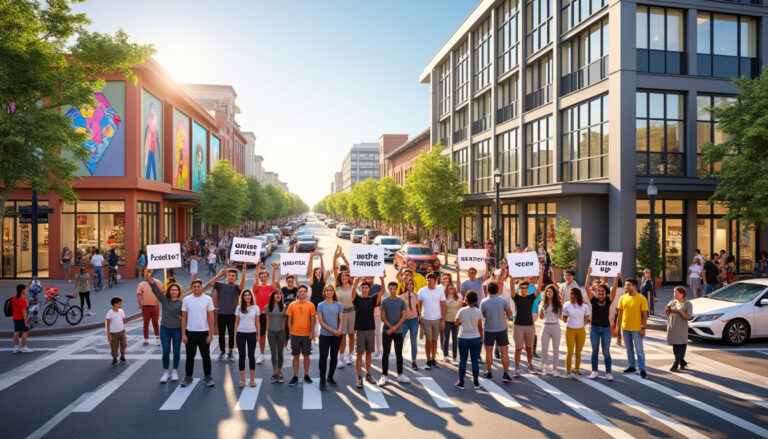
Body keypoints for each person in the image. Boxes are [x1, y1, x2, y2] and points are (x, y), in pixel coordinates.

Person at [145, 270, 183, 383]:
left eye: (176, 290)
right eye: (172, 290)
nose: (174, 291)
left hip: (177, 330)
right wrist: (148, 276)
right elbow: (155, 288)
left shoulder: (182, 303)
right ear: (169, 291)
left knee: (176, 352)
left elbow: (185, 318)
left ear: (178, 291)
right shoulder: (164, 300)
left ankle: (175, 371)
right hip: (165, 329)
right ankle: (166, 372)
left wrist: (185, 332)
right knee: (166, 351)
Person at [180, 279, 216, 388]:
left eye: (198, 286)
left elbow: (211, 316)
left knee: (206, 356)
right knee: (190, 356)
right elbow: (184, 318)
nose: (196, 288)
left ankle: (208, 377)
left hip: (204, 332)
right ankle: (188, 377)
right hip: (190, 332)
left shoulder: (208, 299)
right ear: (192, 288)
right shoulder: (186, 299)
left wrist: (211, 334)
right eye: (194, 286)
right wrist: (183, 334)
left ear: (202, 287)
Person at [586, 269, 620, 381]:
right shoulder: (593, 300)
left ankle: (608, 373)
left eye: (602, 290)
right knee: (595, 351)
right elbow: (586, 288)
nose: (600, 292)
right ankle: (594, 371)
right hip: (594, 328)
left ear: (606, 292)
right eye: (598, 290)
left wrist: (615, 278)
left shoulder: (609, 300)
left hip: (606, 329)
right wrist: (588, 274)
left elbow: (614, 290)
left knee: (606, 352)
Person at [509, 270, 544, 377]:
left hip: (530, 326)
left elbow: (539, 288)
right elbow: (512, 288)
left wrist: (541, 274)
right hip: (518, 326)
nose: (524, 289)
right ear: (519, 289)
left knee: (529, 348)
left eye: (525, 288)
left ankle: (530, 365)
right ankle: (517, 368)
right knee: (518, 348)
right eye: (522, 288)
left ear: (528, 289)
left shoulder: (531, 297)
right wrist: (512, 278)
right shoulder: (516, 297)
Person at [210, 264, 247, 361]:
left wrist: (243, 270)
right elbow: (211, 283)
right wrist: (219, 274)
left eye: (233, 276)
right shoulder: (220, 285)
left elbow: (242, 284)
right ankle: (222, 351)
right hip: (221, 314)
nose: (231, 277)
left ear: (236, 277)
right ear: (227, 276)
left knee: (231, 334)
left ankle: (230, 352)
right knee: (221, 334)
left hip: (232, 314)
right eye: (229, 275)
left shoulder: (236, 288)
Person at [351, 277, 382, 388]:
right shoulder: (356, 299)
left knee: (369, 353)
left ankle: (368, 375)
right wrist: (357, 278)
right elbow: (353, 291)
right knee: (359, 354)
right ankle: (359, 377)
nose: (364, 289)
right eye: (363, 288)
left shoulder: (372, 299)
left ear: (369, 289)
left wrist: (382, 279)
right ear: (360, 289)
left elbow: (382, 292)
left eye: (366, 288)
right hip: (360, 331)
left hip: (370, 330)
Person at [480, 281, 513, 382]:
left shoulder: (484, 302)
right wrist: (503, 317)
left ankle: (489, 372)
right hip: (501, 329)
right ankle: (506, 374)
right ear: (497, 290)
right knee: (504, 351)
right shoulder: (502, 300)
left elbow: (482, 316)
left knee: (489, 352)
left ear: (487, 290)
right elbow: (510, 313)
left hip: (489, 329)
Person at [378, 281, 409, 386]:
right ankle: (384, 375)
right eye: (390, 289)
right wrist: (391, 328)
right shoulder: (385, 302)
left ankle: (400, 375)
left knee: (399, 353)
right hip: (387, 331)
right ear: (388, 289)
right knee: (385, 353)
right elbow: (382, 317)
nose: (392, 291)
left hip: (398, 331)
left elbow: (404, 316)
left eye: (394, 289)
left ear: (396, 289)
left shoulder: (401, 301)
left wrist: (395, 328)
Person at [617, 278, 649, 379]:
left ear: (634, 286)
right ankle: (631, 366)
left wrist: (643, 328)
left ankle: (642, 369)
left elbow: (645, 314)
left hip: (637, 329)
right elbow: (620, 313)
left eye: (629, 285)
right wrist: (617, 326)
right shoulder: (623, 298)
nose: (626, 287)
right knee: (629, 349)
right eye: (626, 285)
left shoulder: (641, 298)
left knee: (639, 350)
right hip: (625, 328)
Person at [285, 285, 316, 386]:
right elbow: (289, 319)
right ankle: (295, 376)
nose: (302, 293)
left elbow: (313, 319)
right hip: (295, 335)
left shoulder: (311, 305)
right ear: (297, 293)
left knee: (306, 355)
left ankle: (306, 375)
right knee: (295, 356)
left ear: (306, 293)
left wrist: (312, 332)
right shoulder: (292, 305)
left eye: (304, 291)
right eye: (300, 291)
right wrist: (290, 331)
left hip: (306, 335)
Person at [454, 290, 483, 389]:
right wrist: (481, 337)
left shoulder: (462, 310)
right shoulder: (478, 311)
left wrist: (460, 321)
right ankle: (476, 382)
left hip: (463, 337)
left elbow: (456, 323)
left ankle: (461, 382)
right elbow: (480, 326)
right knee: (475, 361)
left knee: (463, 360)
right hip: (475, 337)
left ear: (466, 299)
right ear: (476, 300)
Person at [316, 284, 343, 390]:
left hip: (337, 335)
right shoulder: (320, 305)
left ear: (333, 292)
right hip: (324, 336)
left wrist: (339, 330)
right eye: (327, 290)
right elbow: (321, 322)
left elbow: (341, 319)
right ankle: (322, 379)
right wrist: (333, 331)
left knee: (334, 357)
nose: (329, 292)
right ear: (324, 292)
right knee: (323, 357)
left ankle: (330, 377)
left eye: (331, 290)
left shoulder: (338, 305)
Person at [418, 273, 446, 370]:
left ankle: (433, 359)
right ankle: (428, 359)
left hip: (437, 319)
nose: (429, 282)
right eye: (428, 280)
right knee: (428, 340)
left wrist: (443, 320)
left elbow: (443, 306)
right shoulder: (422, 291)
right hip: (426, 319)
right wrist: (419, 317)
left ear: (435, 281)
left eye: (431, 280)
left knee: (434, 340)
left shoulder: (440, 291)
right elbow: (419, 305)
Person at [562, 288, 591, 378]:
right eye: (570, 294)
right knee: (570, 351)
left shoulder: (584, 306)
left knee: (578, 351)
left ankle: (576, 369)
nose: (570, 296)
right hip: (570, 330)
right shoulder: (567, 305)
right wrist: (565, 317)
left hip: (581, 330)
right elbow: (564, 319)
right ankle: (568, 371)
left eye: (572, 294)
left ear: (577, 295)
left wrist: (583, 323)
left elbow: (587, 316)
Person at [235, 289, 260, 388]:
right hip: (240, 333)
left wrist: (258, 335)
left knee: (251, 356)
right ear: (243, 297)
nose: (247, 297)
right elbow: (236, 323)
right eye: (245, 295)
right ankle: (242, 379)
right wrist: (235, 337)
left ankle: (252, 379)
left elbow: (257, 322)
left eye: (249, 295)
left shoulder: (256, 308)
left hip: (252, 334)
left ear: (251, 296)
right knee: (241, 356)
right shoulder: (238, 308)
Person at [254, 262, 278, 365]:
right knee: (262, 335)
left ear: (268, 277)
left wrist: (274, 270)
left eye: (265, 277)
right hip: (261, 314)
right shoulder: (257, 287)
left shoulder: (270, 287)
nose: (263, 278)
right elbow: (255, 282)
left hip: (271, 314)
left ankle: (275, 353)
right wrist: (256, 269)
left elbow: (274, 284)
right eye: (261, 277)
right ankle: (262, 354)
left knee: (274, 333)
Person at [538, 284, 562, 377]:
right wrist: (541, 311)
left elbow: (561, 317)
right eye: (547, 291)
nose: (548, 293)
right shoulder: (543, 303)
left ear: (554, 293)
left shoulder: (558, 304)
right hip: (545, 326)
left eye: (550, 291)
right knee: (544, 348)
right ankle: (545, 367)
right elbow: (541, 317)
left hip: (555, 326)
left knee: (555, 348)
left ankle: (555, 368)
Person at [335, 269, 356, 369]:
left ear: (348, 277)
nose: (344, 277)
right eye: (342, 276)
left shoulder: (353, 287)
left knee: (351, 335)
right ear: (340, 278)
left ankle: (350, 355)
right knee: (342, 336)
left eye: (345, 275)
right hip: (342, 314)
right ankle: (341, 357)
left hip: (352, 312)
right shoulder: (337, 288)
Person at [264, 290, 287, 383]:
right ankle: (275, 372)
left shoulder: (284, 307)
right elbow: (267, 321)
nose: (278, 295)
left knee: (280, 352)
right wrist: (267, 332)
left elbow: (285, 321)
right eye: (277, 294)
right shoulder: (267, 307)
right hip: (271, 332)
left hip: (281, 332)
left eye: (280, 294)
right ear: (273, 296)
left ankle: (280, 371)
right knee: (273, 352)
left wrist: (285, 335)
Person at [399, 278, 421, 370]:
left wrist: (420, 318)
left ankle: (414, 361)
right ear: (405, 286)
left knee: (413, 341)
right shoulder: (401, 296)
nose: (410, 285)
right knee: (401, 340)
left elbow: (418, 307)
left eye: (412, 284)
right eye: (408, 284)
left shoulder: (416, 295)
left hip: (414, 320)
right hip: (404, 321)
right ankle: (399, 358)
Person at [137, 271, 162, 346]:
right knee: (146, 323)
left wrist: (159, 299)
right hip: (145, 306)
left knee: (155, 323)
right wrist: (139, 303)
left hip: (155, 306)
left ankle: (158, 339)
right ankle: (146, 339)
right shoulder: (142, 284)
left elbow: (162, 291)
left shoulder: (157, 282)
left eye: (150, 273)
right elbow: (139, 294)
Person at [442, 283, 461, 365]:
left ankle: (454, 357)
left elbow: (460, 310)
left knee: (455, 339)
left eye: (453, 288)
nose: (451, 290)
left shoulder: (458, 297)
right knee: (446, 339)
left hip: (455, 321)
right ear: (447, 289)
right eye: (450, 288)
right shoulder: (445, 298)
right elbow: (443, 309)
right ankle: (445, 356)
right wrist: (442, 320)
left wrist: (459, 320)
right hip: (447, 320)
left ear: (455, 289)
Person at [11, 284, 33, 353]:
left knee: (16, 332)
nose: (26, 290)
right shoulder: (22, 299)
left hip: (15, 318)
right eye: (25, 289)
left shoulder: (13, 298)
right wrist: (26, 322)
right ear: (22, 290)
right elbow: (24, 312)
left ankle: (16, 348)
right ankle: (24, 347)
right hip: (21, 318)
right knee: (24, 332)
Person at [105, 296, 126, 364]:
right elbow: (107, 323)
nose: (120, 304)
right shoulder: (110, 312)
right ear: (115, 304)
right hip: (113, 333)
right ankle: (115, 358)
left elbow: (123, 319)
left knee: (124, 344)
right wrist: (108, 333)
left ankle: (122, 355)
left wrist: (123, 327)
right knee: (114, 346)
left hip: (121, 331)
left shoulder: (121, 311)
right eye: (119, 303)